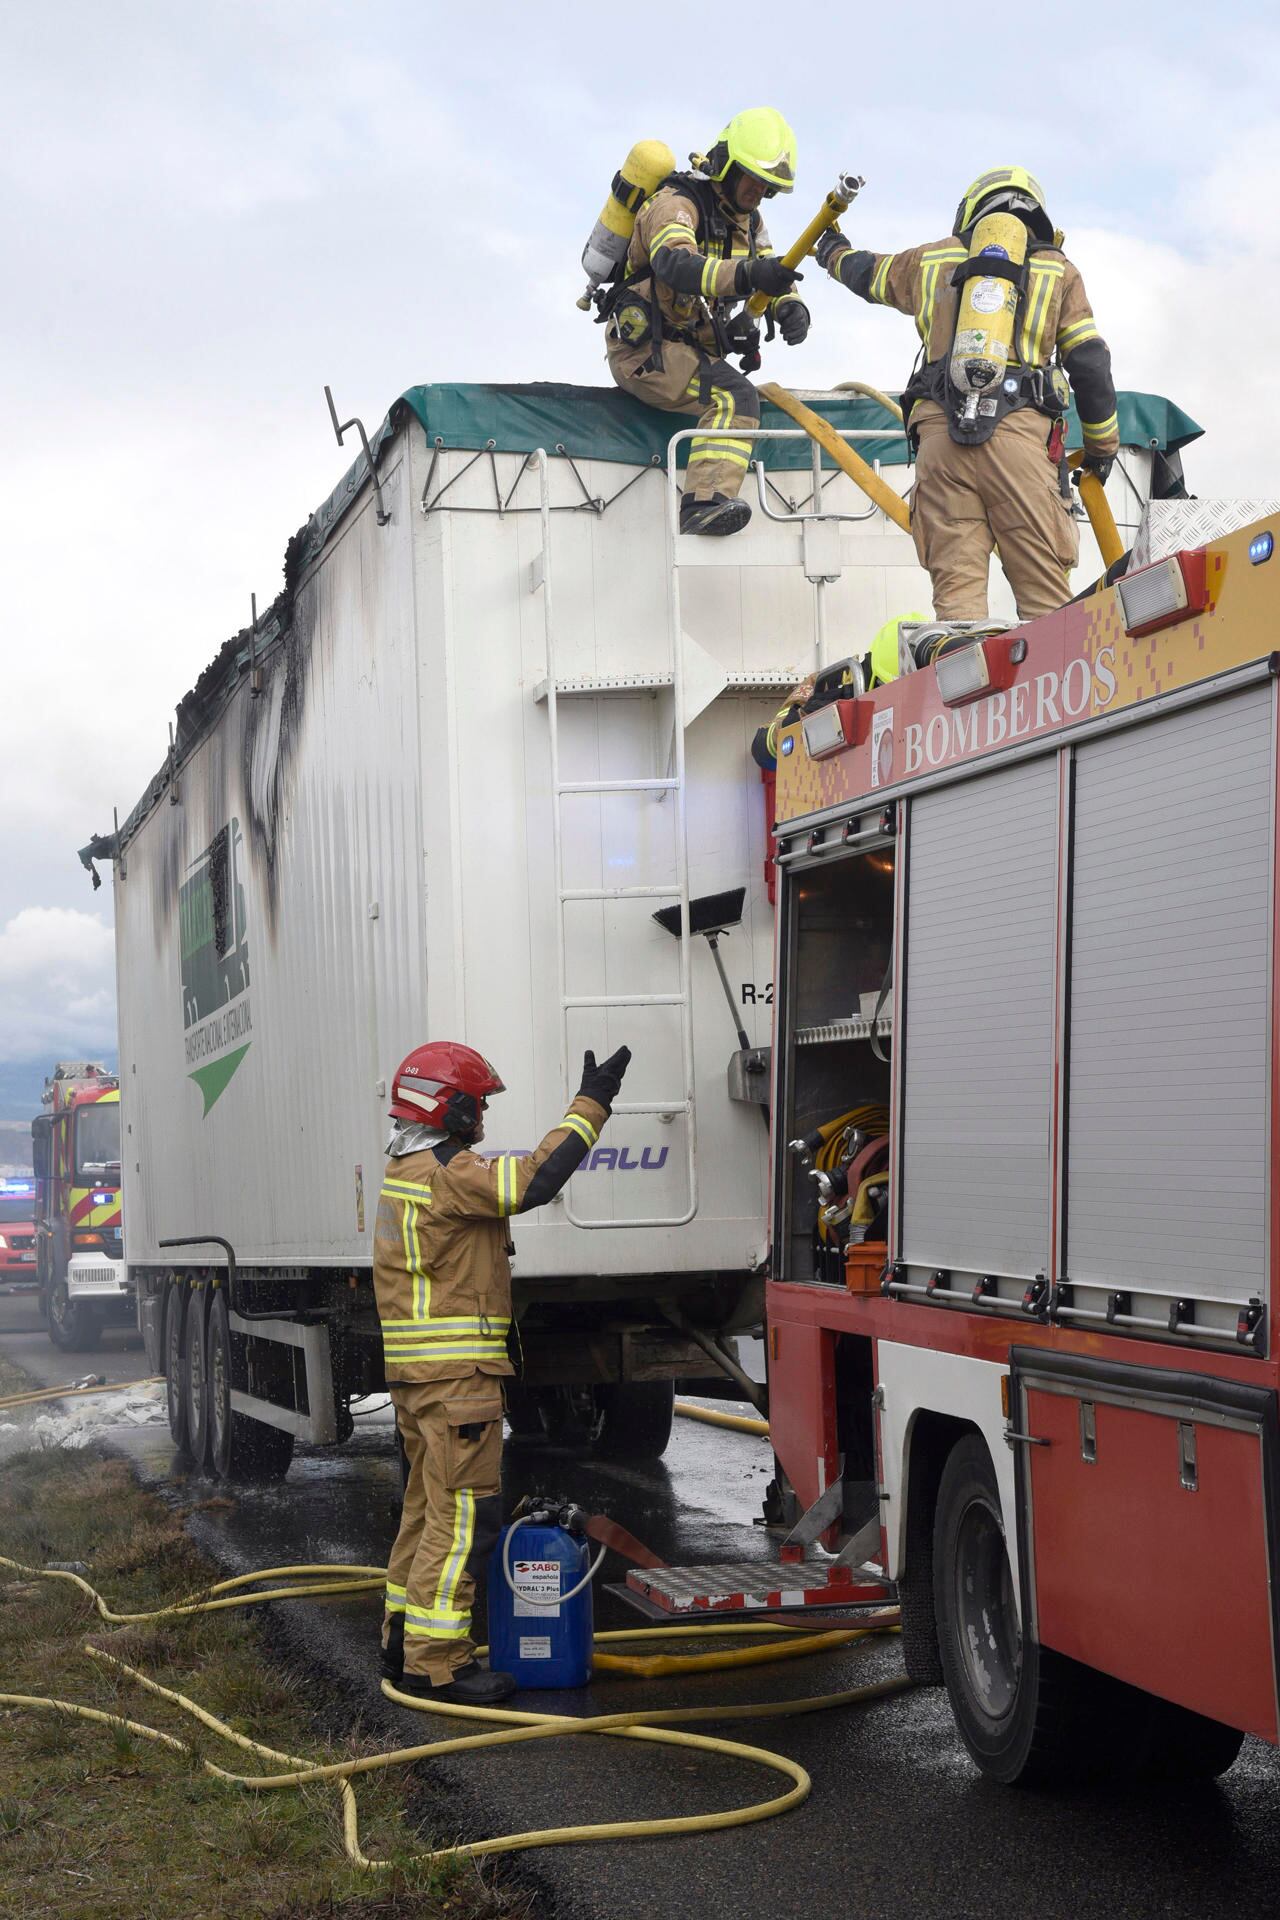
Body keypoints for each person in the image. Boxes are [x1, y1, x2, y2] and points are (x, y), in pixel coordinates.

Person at [375, 1038, 630, 1703]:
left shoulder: (403, 1169)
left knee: (424, 1515)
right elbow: (538, 1181)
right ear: (447, 1106)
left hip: (419, 1379)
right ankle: (439, 1665)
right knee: (463, 1523)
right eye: (478, 1103)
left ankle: (400, 1639)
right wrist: (591, 1105)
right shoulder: (450, 1174)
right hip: (458, 1382)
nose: (483, 1117)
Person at [815, 168, 1118, 620]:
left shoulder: (932, 260)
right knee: (1048, 610)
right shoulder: (1059, 271)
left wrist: (831, 248)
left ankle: (965, 689)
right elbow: (1090, 364)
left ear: (971, 211)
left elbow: (868, 275)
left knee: (958, 608)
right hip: (1021, 447)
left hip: (940, 443)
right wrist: (1101, 449)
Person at [605, 107, 809, 537]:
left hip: (686, 350)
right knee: (736, 400)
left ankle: (709, 494)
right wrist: (750, 275)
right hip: (646, 352)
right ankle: (703, 504)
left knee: (743, 397)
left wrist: (788, 306)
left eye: (768, 186)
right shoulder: (676, 204)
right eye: (753, 178)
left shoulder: (749, 224)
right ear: (727, 166)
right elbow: (676, 264)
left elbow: (769, 270)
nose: (759, 192)